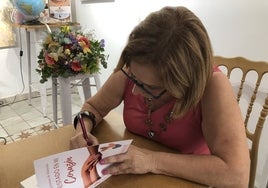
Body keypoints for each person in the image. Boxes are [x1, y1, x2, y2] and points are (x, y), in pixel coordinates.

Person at [70, 6, 250, 188]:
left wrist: (151, 160)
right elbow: (94, 108)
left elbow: (237, 176)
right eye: (133, 77)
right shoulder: (135, 70)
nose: (134, 91)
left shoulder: (212, 86)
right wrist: (82, 131)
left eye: (148, 87)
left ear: (182, 82)